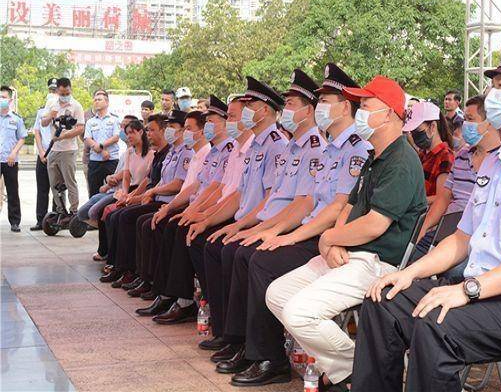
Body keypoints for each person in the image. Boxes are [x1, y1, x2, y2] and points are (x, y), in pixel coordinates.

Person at [351, 32, 501, 392]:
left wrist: (468, 290)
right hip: (480, 289)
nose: (493, 94)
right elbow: (462, 239)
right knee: (383, 301)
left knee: (436, 325)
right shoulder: (494, 163)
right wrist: (408, 274)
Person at [267, 75, 427, 390]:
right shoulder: (375, 156)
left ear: (390, 115)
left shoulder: (401, 160)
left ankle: (359, 370)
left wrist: (329, 238)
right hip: (351, 253)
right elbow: (348, 208)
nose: (360, 112)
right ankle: (357, 367)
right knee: (277, 294)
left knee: (299, 313)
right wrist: (332, 243)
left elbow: (375, 224)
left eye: (367, 106)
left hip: (379, 263)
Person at [218, 64, 372, 386]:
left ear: (346, 106)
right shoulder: (329, 149)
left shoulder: (356, 149)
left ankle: (268, 358)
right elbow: (304, 201)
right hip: (309, 231)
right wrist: (271, 230)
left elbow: (337, 206)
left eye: (326, 100)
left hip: (329, 239)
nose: (320, 108)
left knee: (260, 261)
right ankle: (243, 343)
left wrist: (290, 238)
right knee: (248, 252)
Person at [196, 69, 325, 378]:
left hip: (300, 229)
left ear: (310, 109)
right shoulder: (292, 146)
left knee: (251, 258)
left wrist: (263, 231)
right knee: (229, 249)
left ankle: (269, 357)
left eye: (293, 104)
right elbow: (274, 198)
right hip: (280, 223)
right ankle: (238, 339)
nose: (289, 110)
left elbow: (302, 203)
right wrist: (250, 228)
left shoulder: (311, 146)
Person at [139, 78, 287, 319]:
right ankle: (193, 304)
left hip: (257, 221)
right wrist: (199, 215)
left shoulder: (272, 145)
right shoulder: (245, 148)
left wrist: (219, 220)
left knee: (219, 248)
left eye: (232, 116)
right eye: (227, 117)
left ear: (266, 110)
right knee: (186, 230)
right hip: (237, 216)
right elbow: (225, 190)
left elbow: (262, 198)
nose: (231, 121)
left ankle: (216, 316)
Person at [128, 95, 234, 299]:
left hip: (217, 211)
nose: (184, 133)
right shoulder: (212, 152)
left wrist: (191, 211)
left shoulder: (222, 150)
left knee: (175, 229)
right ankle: (160, 288)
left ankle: (181, 298)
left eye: (188, 128)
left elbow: (217, 190)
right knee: (157, 223)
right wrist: (171, 208)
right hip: (199, 207)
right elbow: (197, 186)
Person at [100, 110, 192, 284]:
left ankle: (143, 276)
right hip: (156, 199)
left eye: (172, 127)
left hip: (169, 202)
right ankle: (122, 267)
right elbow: (153, 180)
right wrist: (135, 196)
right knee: (117, 215)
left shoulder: (185, 153)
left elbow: (179, 184)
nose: (149, 133)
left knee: (132, 219)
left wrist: (151, 192)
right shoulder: (170, 152)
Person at [415, 94, 501, 259]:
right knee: (413, 257)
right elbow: (443, 198)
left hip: (474, 241)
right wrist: (423, 229)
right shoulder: (462, 155)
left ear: (489, 122)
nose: (465, 125)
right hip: (445, 231)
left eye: (470, 119)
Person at [77, 116, 138, 229]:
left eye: (128, 128)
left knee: (94, 213)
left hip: (121, 192)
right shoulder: (125, 152)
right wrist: (109, 180)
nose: (123, 130)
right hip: (112, 190)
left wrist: (111, 181)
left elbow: (127, 173)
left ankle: (109, 230)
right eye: (122, 126)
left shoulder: (137, 152)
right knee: (81, 213)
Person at [41, 77, 86, 217]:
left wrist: (64, 136)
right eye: (62, 93)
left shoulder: (76, 106)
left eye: (67, 93)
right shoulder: (51, 103)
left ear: (70, 89)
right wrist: (50, 116)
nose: (65, 96)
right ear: (57, 92)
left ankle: (74, 211)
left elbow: (80, 128)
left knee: (69, 181)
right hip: (53, 150)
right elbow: (43, 123)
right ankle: (60, 211)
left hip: (69, 150)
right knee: (54, 183)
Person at [403, 101, 454, 204]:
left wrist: (412, 203)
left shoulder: (445, 156)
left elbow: (442, 198)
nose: (413, 135)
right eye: (411, 132)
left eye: (417, 130)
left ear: (432, 127)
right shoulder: (423, 154)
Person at [84, 90, 121, 197]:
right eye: (95, 100)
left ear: (107, 102)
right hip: (95, 161)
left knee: (112, 191)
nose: (96, 102)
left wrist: (100, 146)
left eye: (99, 100)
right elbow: (87, 138)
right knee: (93, 192)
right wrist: (101, 150)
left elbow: (116, 137)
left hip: (111, 160)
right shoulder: (91, 121)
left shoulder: (114, 120)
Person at [0, 86, 27, 232]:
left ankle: (15, 221)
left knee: (12, 191)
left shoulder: (16, 119)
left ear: (10, 100)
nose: (1, 100)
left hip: (10, 160)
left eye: (3, 97)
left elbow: (22, 137)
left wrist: (13, 153)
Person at [31, 81, 57, 231]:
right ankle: (40, 220)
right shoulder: (41, 112)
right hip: (42, 154)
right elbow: (37, 132)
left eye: (55, 90)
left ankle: (55, 219)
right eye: (51, 90)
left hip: (57, 154)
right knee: (42, 189)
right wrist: (41, 152)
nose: (52, 93)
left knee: (57, 189)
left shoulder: (62, 111)